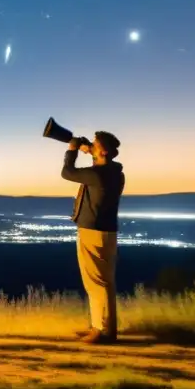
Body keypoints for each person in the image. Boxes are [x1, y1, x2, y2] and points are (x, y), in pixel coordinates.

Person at [62, 130, 125, 344]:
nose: (92, 146)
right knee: (103, 283)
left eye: (95, 144)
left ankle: (104, 331)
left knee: (97, 283)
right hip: (106, 231)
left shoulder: (98, 174)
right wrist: (91, 151)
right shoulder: (114, 172)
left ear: (104, 151)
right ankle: (100, 326)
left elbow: (67, 172)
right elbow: (98, 165)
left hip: (93, 232)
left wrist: (72, 150)